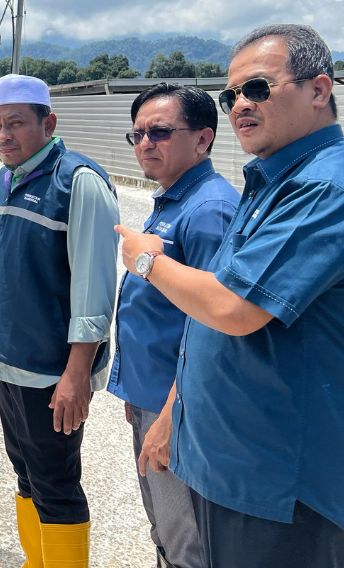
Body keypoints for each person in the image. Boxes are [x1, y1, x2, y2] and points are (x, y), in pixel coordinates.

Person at [118, 24, 344, 567]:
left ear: (319, 90)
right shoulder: (276, 184)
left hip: (284, 486)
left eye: (257, 88)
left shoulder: (325, 188)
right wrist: (176, 415)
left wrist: (146, 260)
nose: (239, 106)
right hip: (238, 468)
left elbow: (232, 308)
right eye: (231, 96)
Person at [0, 74, 119, 568]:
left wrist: (77, 374)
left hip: (53, 369)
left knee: (56, 484)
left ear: (48, 124)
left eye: (15, 123)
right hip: (11, 358)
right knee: (27, 474)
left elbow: (94, 290)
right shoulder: (8, 177)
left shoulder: (78, 182)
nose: (2, 135)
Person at [106, 84, 238, 568]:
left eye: (160, 132)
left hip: (179, 410)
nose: (145, 143)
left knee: (186, 540)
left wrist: (169, 415)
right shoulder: (179, 200)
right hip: (155, 399)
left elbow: (213, 327)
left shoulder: (208, 210)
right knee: (165, 527)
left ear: (203, 139)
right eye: (137, 134)